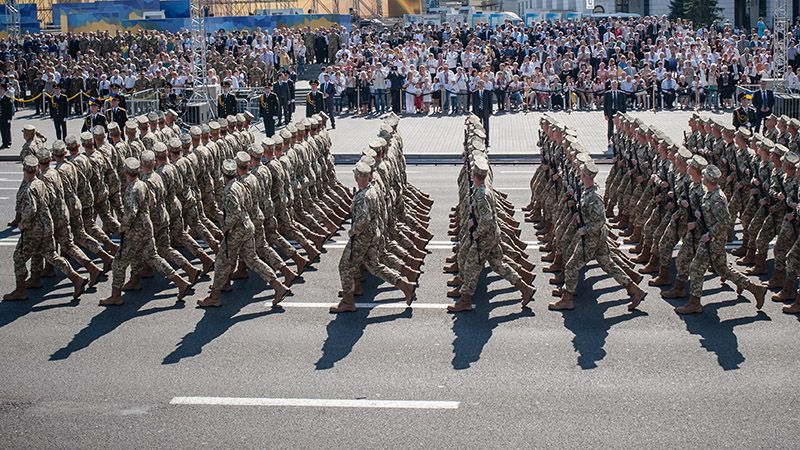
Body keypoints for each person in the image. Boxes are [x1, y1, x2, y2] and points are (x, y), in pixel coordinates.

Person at [101, 157, 191, 306]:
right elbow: (152, 202)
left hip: (135, 231)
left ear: (125, 172)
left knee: (119, 262)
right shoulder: (142, 184)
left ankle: (115, 296)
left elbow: (131, 213)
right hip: (146, 226)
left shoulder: (132, 189)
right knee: (152, 257)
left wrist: (122, 227)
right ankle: (180, 282)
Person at [3, 156, 89, 302]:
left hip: (34, 230)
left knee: (18, 258)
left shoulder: (30, 188)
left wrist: (23, 224)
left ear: (24, 169)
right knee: (51, 255)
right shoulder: (40, 183)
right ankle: (76, 278)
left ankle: (20, 290)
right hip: (47, 226)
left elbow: (31, 210)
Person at [471, 80, 492, 146]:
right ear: (477, 85)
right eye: (479, 84)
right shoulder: (475, 93)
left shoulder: (487, 92)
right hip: (478, 111)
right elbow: (473, 103)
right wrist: (473, 113)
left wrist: (490, 112)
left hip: (485, 111)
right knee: (478, 127)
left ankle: (487, 142)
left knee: (486, 127)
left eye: (482, 84)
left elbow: (490, 102)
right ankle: (479, 142)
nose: (481, 85)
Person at [0, 83, 13, 149]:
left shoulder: (7, 99)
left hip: (6, 118)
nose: (0, 91)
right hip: (0, 118)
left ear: (4, 91)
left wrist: (10, 118)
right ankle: (4, 143)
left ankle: (8, 142)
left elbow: (10, 110)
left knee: (7, 130)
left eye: (2, 89)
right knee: (2, 131)